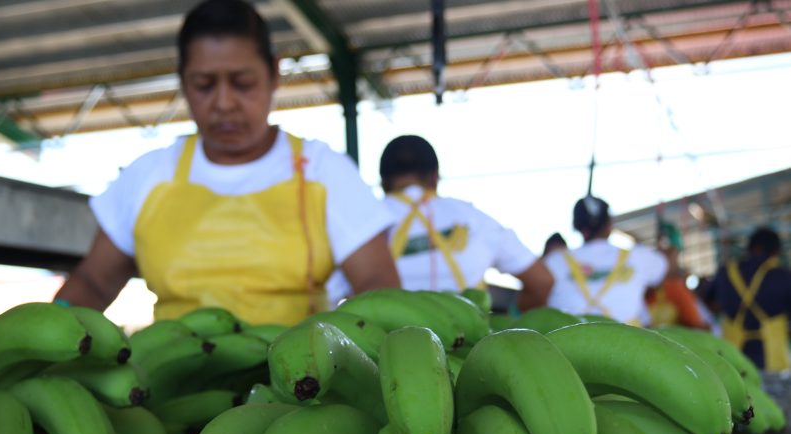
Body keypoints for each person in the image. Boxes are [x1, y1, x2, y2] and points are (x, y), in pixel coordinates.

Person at [54, 0, 399, 326]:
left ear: (274, 74)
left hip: (300, 383)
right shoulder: (148, 175)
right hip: (171, 382)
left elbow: (376, 286)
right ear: (183, 82)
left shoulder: (323, 171)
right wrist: (53, 325)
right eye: (204, 85)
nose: (224, 103)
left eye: (242, 83)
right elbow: (92, 283)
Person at [327, 134, 553, 311]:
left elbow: (328, 296)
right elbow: (542, 281)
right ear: (435, 176)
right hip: (470, 354)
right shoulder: (473, 219)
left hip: (387, 357)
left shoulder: (360, 224)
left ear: (383, 182)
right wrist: (512, 320)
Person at [544, 195, 668, 325]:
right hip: (628, 341)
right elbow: (668, 268)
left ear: (576, 225)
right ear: (609, 224)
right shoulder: (639, 256)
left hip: (567, 342)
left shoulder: (554, 261)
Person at [710, 227, 791, 373]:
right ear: (775, 252)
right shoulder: (783, 276)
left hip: (732, 357)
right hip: (772, 361)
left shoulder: (725, 273)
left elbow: (709, 303)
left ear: (750, 248)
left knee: (735, 391)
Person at [645, 221, 708, 329]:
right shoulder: (647, 287)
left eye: (668, 251)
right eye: (658, 250)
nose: (661, 256)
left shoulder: (679, 287)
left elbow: (699, 327)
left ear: (676, 252)